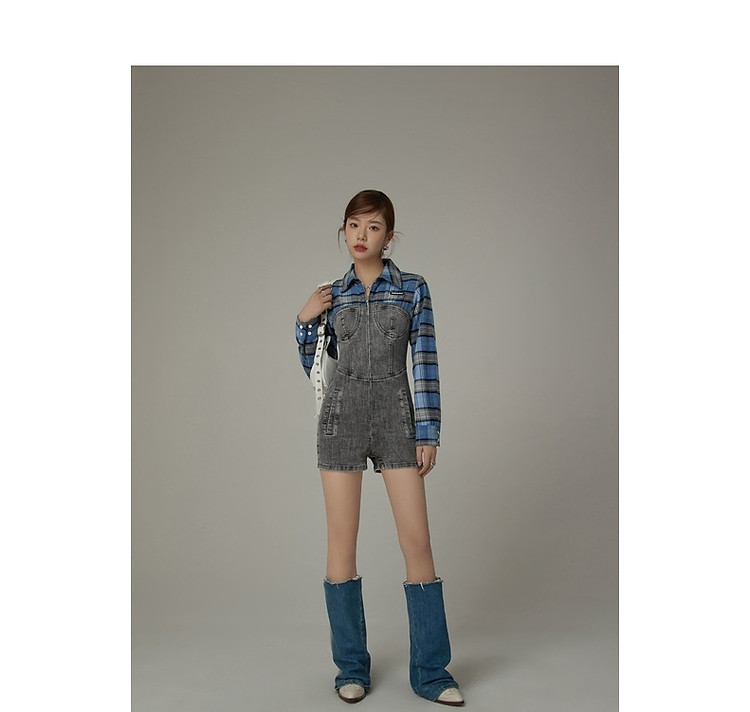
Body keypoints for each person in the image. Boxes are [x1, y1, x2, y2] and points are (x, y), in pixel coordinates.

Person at [295, 190, 464, 706]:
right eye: (353, 225)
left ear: (388, 236)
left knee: (417, 543)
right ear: (343, 231)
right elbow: (314, 366)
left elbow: (425, 361)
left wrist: (428, 432)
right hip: (341, 418)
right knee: (341, 544)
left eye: (372, 227)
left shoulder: (413, 288)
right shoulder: (332, 294)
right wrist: (304, 319)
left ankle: (431, 673)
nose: (361, 235)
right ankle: (350, 668)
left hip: (396, 418)